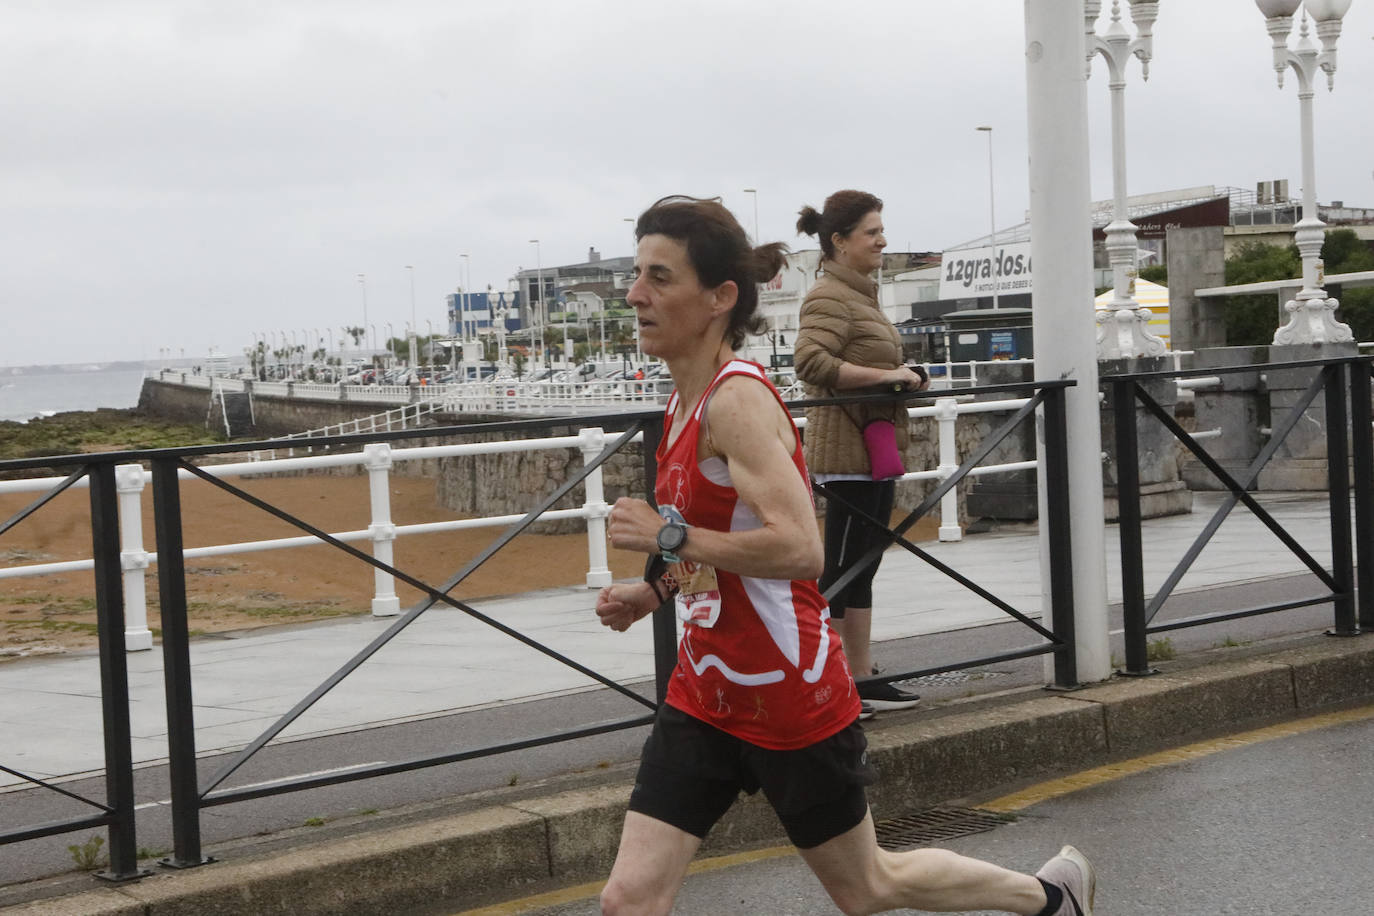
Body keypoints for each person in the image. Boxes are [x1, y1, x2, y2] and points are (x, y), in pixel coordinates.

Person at [594, 194, 1094, 916]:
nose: (636, 295)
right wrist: (656, 591)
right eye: (637, 276)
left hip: (788, 692)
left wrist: (668, 537)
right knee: (627, 900)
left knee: (868, 887)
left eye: (660, 278)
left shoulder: (736, 403)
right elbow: (722, 540)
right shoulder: (682, 402)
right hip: (705, 692)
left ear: (719, 298)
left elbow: (800, 550)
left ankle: (1047, 897)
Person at [794, 189, 925, 713]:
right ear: (840, 242)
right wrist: (887, 375)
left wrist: (906, 374)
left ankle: (860, 676)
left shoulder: (860, 294)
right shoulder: (828, 296)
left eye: (880, 230)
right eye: (872, 232)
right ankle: (822, 682)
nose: (883, 240)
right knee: (842, 569)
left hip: (872, 450)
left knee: (863, 565)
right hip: (846, 455)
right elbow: (811, 363)